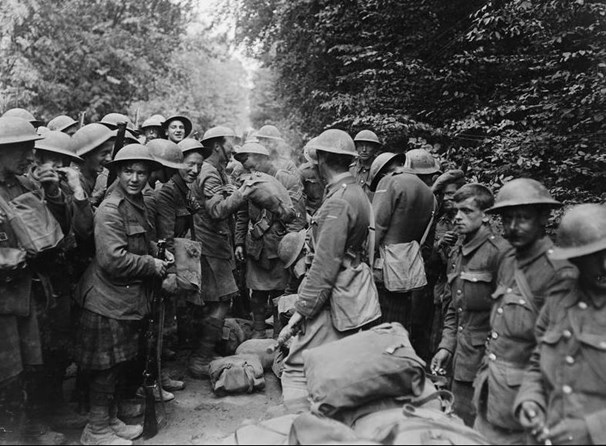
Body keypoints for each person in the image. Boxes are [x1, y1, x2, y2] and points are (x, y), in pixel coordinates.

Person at [74, 144, 169, 445]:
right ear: (117, 172)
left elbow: (141, 242)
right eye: (128, 171)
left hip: (124, 299)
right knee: (106, 368)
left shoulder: (137, 203)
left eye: (141, 172)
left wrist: (157, 254)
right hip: (106, 299)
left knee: (117, 366)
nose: (135, 178)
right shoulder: (111, 208)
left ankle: (108, 419)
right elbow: (113, 260)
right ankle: (96, 430)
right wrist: (152, 264)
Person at [471, 178, 577, 443]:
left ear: (543, 218)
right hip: (490, 396)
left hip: (525, 410)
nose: (512, 227)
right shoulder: (508, 260)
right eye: (507, 219)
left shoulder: (559, 273)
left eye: (522, 218)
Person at [278, 129, 370, 406]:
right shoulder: (355, 192)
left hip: (332, 301)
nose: (314, 166)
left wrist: (299, 315)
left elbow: (323, 266)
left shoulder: (338, 202)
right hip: (345, 295)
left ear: (324, 159)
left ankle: (301, 427)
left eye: (316, 160)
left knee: (297, 370)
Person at [0, 117, 69, 444]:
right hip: (4, 295)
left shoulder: (25, 184)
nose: (31, 157)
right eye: (22, 149)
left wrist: (53, 191)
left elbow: (57, 230)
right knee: (6, 374)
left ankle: (31, 427)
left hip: (30, 292)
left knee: (29, 367)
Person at [514, 203, 606, 445]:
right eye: (592, 257)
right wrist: (530, 400)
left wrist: (590, 429)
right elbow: (537, 360)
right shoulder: (558, 299)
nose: (604, 266)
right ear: (574, 260)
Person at [430, 183, 509, 427]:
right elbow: (454, 307)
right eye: (456, 212)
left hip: (490, 365)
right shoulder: (457, 252)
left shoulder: (501, 254)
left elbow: (509, 317)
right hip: (461, 361)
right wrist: (446, 346)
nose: (458, 218)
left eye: (467, 212)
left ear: (486, 215)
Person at [188, 126, 247, 379]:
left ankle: (204, 352)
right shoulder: (211, 172)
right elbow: (216, 211)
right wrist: (243, 194)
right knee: (221, 302)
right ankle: (201, 358)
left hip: (215, 243)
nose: (233, 148)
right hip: (211, 246)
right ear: (217, 146)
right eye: (230, 143)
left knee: (216, 302)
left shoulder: (217, 170)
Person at [234, 142, 307, 339]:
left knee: (280, 295)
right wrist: (239, 242)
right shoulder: (249, 180)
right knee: (256, 293)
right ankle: (258, 331)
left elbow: (297, 219)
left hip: (280, 249)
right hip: (256, 246)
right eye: (246, 165)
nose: (249, 168)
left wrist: (289, 247)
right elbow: (242, 214)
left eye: (251, 162)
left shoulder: (287, 179)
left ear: (264, 158)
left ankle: (278, 333)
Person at [367, 152, 434, 340]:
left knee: (379, 328)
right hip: (409, 268)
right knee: (399, 322)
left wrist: (365, 261)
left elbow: (376, 227)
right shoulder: (428, 192)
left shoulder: (389, 182)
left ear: (382, 172)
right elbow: (425, 237)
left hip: (384, 266)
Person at [71, 123, 117, 207]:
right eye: (104, 154)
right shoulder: (73, 180)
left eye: (109, 153)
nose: (109, 159)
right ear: (87, 154)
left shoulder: (89, 175)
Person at [349, 129, 381, 200]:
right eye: (360, 146)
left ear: (375, 148)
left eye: (368, 146)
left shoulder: (380, 170)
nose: (364, 149)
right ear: (356, 148)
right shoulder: (350, 170)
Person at [298, 137, 324, 217]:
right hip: (311, 214)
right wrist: (305, 215)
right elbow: (298, 197)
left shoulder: (334, 170)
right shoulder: (303, 171)